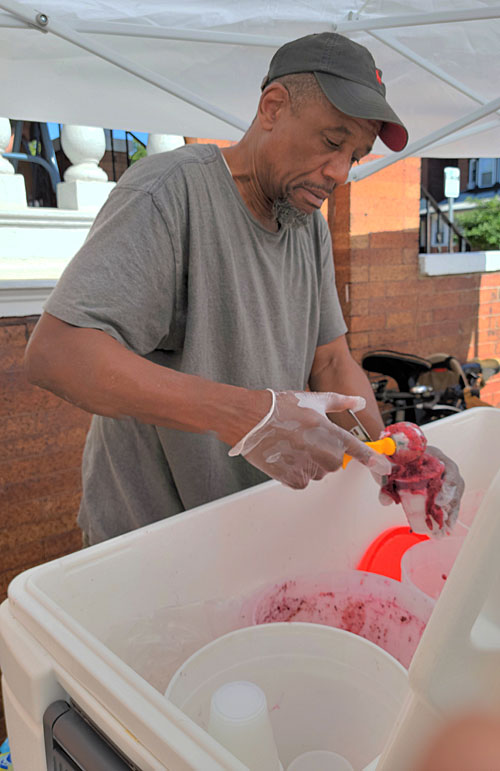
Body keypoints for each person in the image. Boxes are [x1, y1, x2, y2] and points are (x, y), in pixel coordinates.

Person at [25, 32, 462, 545]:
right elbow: (57, 355)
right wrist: (249, 414)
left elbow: (331, 361)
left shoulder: (309, 224)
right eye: (331, 141)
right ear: (273, 107)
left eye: (356, 156)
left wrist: (396, 452)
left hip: (254, 528)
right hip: (150, 541)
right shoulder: (169, 192)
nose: (340, 172)